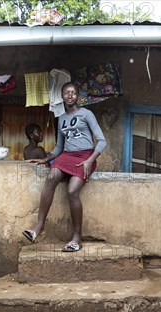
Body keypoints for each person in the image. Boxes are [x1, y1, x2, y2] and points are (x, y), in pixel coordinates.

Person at [22, 82, 107, 252]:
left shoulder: (87, 114)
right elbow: (60, 147)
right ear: (61, 96)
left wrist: (90, 160)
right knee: (52, 177)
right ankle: (38, 228)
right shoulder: (61, 119)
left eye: (73, 92)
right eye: (66, 93)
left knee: (72, 190)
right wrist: (46, 158)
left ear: (78, 96)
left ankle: (77, 238)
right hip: (66, 156)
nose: (70, 95)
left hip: (85, 156)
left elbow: (102, 141)